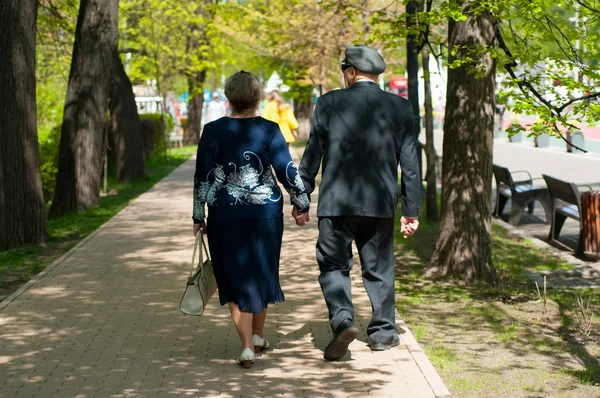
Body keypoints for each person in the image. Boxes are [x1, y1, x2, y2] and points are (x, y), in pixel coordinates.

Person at [297, 45, 421, 361]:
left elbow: (312, 155)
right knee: (380, 268)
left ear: (351, 71)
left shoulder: (328, 103)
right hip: (380, 203)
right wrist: (410, 209)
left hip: (336, 203)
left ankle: (342, 322)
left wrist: (301, 198)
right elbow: (409, 163)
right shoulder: (400, 107)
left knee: (334, 264)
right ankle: (382, 334)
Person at [192, 71, 310, 369]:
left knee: (232, 275)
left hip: (225, 214)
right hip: (265, 215)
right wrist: (301, 202)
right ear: (258, 98)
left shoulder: (212, 130)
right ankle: (256, 335)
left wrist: (198, 215)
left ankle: (247, 344)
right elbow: (287, 170)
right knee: (261, 270)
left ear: (228, 99)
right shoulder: (270, 129)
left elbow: (202, 177)